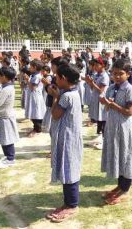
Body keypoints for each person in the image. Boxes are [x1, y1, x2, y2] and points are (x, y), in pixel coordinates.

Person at [99, 59, 132, 205]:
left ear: (128, 74)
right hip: (112, 127)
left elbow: (129, 112)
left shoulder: (130, 89)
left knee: (126, 157)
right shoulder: (112, 87)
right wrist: (105, 103)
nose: (117, 76)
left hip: (124, 128)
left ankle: (125, 190)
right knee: (118, 156)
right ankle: (119, 186)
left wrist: (112, 104)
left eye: (120, 74)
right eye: (114, 73)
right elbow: (108, 104)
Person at [46, 64, 83, 223]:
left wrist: (55, 97)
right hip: (69, 137)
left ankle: (72, 205)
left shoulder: (67, 96)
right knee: (67, 168)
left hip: (68, 138)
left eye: (57, 76)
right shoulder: (72, 92)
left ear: (64, 79)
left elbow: (55, 115)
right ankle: (68, 203)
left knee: (69, 170)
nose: (55, 78)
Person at [0, 67, 20, 169]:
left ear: (4, 77)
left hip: (5, 116)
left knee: (7, 139)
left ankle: (10, 159)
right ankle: (7, 156)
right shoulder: (7, 87)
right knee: (4, 138)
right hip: (3, 115)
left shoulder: (7, 89)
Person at [85, 58, 110, 149]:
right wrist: (89, 82)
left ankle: (104, 138)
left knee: (103, 119)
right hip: (96, 99)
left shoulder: (104, 76)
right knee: (98, 118)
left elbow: (101, 90)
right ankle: (99, 137)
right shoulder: (97, 75)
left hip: (102, 99)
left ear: (102, 66)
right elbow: (93, 88)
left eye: (97, 65)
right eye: (94, 65)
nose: (95, 67)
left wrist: (92, 83)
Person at [25, 59, 46, 137]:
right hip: (32, 96)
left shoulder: (37, 76)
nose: (29, 68)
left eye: (31, 67)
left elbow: (33, 87)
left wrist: (28, 81)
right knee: (33, 113)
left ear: (35, 67)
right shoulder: (33, 75)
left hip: (36, 96)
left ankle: (38, 129)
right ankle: (35, 128)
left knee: (36, 113)